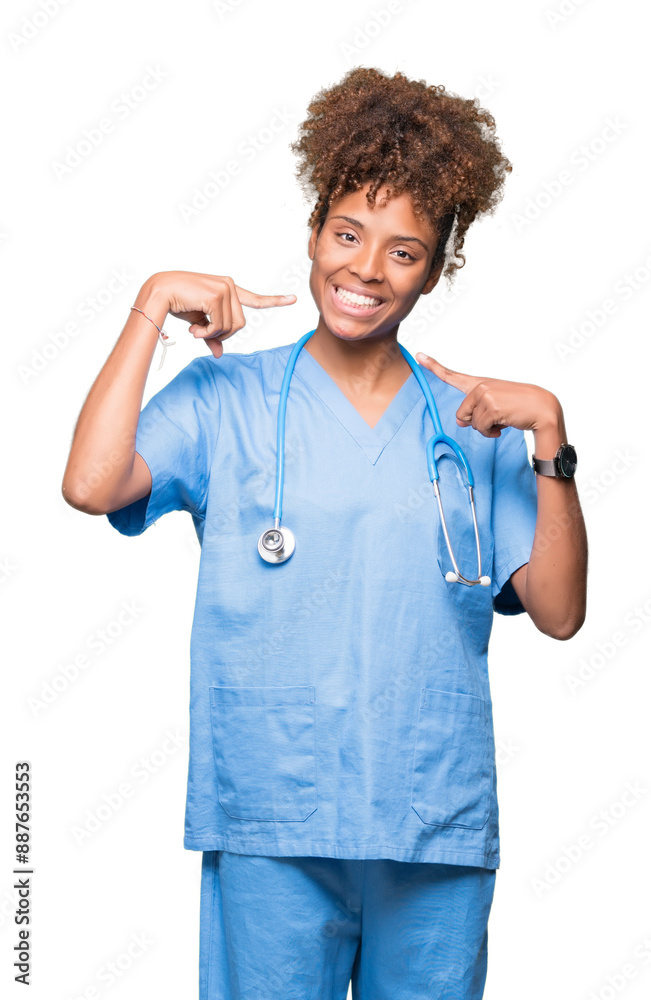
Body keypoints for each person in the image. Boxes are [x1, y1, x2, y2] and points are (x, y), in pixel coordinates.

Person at [62, 67, 588, 1000]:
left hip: (431, 818)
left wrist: (548, 432)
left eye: (403, 251)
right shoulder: (224, 398)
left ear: (435, 269)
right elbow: (91, 485)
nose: (365, 269)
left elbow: (557, 612)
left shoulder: (475, 423)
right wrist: (152, 303)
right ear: (312, 232)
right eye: (347, 234)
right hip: (273, 813)